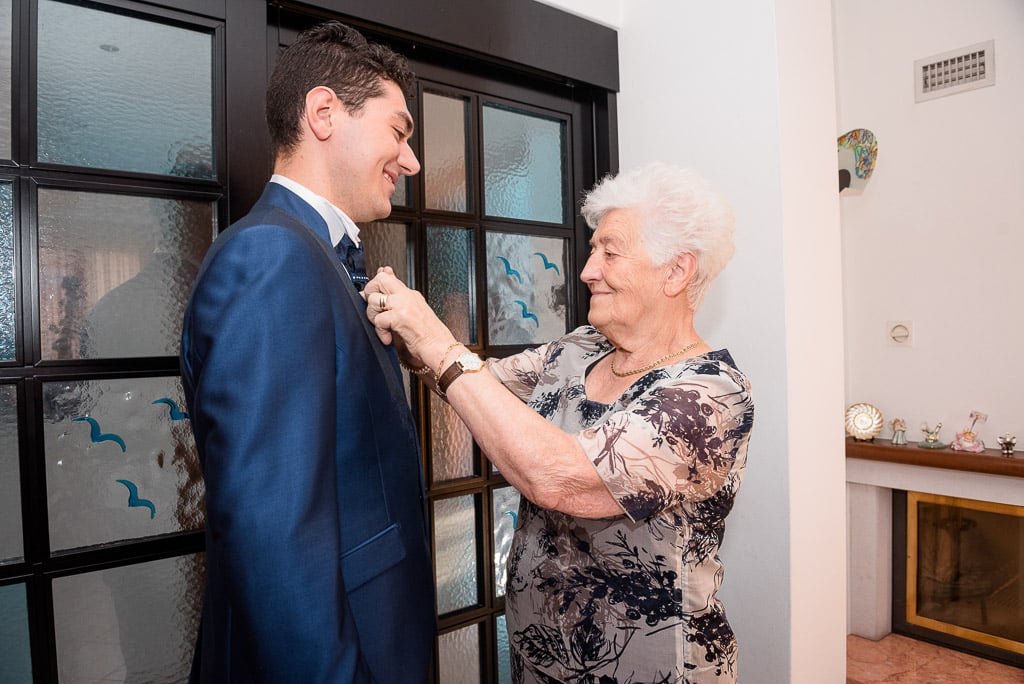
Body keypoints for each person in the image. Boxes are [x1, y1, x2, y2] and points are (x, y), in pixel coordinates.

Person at [364, 163, 754, 683]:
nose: (588, 270)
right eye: (593, 251)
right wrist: (404, 330)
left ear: (676, 271)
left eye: (610, 253)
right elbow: (479, 387)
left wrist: (436, 340)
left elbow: (560, 478)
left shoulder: (710, 394)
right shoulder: (581, 349)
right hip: (540, 660)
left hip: (651, 670)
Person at [180, 21, 433, 683]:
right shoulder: (272, 256)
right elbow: (275, 532)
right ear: (324, 114)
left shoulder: (314, 255)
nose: (410, 162)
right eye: (399, 132)